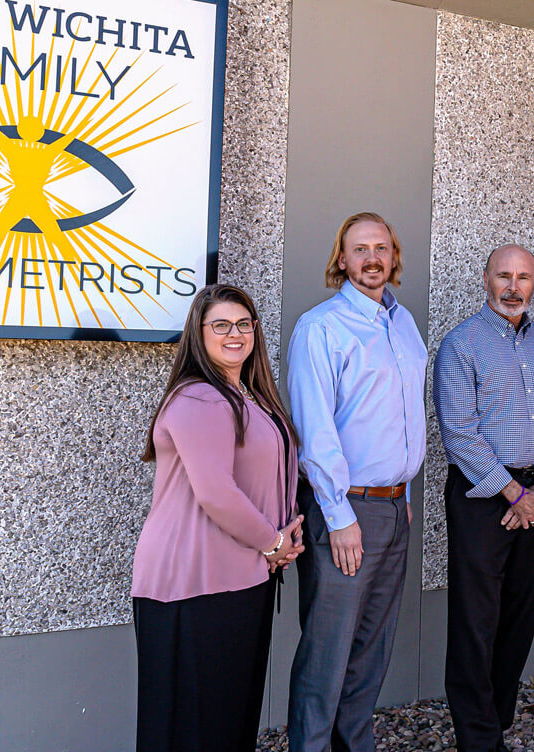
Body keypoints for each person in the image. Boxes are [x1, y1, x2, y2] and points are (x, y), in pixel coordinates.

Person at [130, 284, 304, 752]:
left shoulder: (246, 395)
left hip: (242, 574)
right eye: (221, 325)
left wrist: (284, 532)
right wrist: (273, 542)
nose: (235, 334)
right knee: (195, 725)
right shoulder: (200, 399)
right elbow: (216, 493)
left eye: (244, 324)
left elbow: (265, 474)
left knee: (228, 718)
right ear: (199, 333)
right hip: (194, 582)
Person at [287, 212, 427, 752]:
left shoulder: (403, 323)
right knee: (328, 652)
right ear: (340, 259)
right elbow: (315, 429)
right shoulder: (321, 327)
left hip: (394, 510)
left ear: (393, 256)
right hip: (345, 513)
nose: (372, 258)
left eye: (382, 248)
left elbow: (404, 415)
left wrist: (405, 494)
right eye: (360, 249)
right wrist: (341, 517)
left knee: (372, 648)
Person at [433, 244, 534, 752]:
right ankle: (477, 739)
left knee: (520, 612)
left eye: (523, 277)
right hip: (482, 497)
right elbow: (459, 433)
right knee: (476, 620)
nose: (513, 287)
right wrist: (515, 493)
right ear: (486, 278)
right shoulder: (461, 344)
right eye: (504, 276)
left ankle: (498, 722)